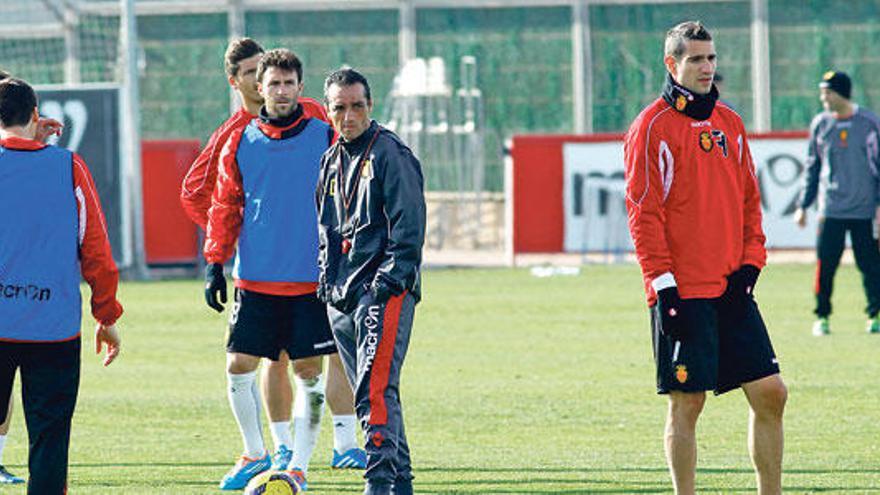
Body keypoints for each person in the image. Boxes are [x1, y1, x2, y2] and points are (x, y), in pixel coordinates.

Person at [180, 38, 364, 480]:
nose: (281, 90)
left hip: (311, 279)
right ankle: (256, 452)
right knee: (238, 364)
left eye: (289, 83)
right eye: (274, 83)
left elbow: (354, 196)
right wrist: (213, 263)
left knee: (307, 370)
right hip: (255, 278)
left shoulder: (326, 135)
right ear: (259, 89)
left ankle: (299, 466)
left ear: (301, 88)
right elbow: (223, 205)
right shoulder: (239, 141)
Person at [623, 21, 787, 495]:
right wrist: (663, 283)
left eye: (711, 58)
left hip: (731, 286)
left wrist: (752, 264)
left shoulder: (730, 123)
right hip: (682, 290)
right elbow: (643, 211)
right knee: (687, 403)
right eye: (696, 59)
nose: (707, 68)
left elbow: (748, 201)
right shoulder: (651, 126)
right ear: (672, 65)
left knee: (771, 393)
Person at [0, 77, 122, 495]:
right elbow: (97, 252)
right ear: (34, 115)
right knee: (49, 446)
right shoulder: (68, 167)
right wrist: (106, 314)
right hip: (53, 331)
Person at [317, 68, 425, 495]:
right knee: (376, 389)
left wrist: (386, 283)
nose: (348, 116)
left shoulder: (391, 155)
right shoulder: (329, 161)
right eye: (339, 108)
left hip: (383, 292)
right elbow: (325, 229)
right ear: (328, 111)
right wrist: (328, 281)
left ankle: (377, 482)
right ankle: (400, 482)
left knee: (374, 387)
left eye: (356, 106)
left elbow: (409, 231)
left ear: (370, 106)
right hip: (342, 296)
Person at [793, 70, 880, 336]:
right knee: (826, 265)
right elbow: (812, 166)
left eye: (827, 92)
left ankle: (874, 315)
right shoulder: (820, 124)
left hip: (864, 211)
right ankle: (822, 317)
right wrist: (803, 204)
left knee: (870, 265)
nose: (823, 97)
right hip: (830, 209)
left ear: (841, 93)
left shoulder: (869, 123)